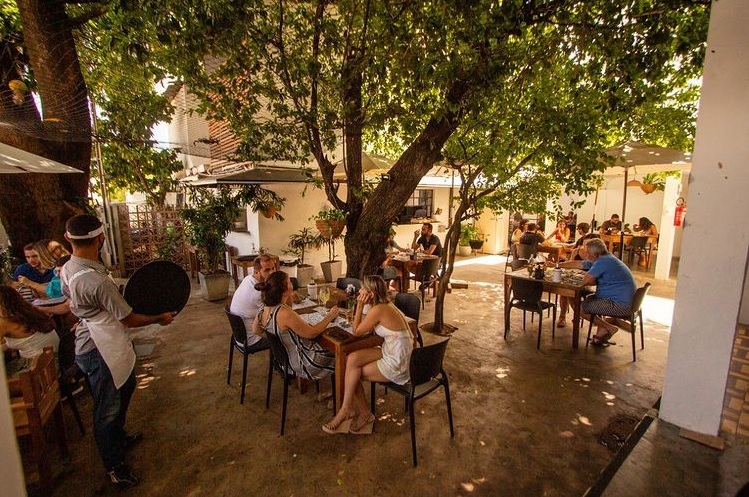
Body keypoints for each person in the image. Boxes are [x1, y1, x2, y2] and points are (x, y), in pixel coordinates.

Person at [61, 214, 174, 489]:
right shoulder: (97, 282)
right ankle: (114, 466)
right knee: (107, 408)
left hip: (97, 339)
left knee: (127, 385)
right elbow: (129, 319)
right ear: (100, 238)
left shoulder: (67, 268)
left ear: (68, 239)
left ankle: (119, 437)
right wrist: (159, 318)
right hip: (99, 347)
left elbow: (72, 303)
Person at [322, 275, 414, 435]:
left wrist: (359, 305)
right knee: (352, 359)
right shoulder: (383, 305)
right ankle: (358, 412)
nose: (359, 290)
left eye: (362, 288)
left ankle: (347, 411)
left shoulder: (379, 310)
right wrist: (363, 307)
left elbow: (356, 331)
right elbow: (368, 327)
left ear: (370, 293)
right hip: (395, 351)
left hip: (398, 361)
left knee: (351, 373)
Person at [252, 271, 338, 381]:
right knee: (342, 355)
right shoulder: (284, 313)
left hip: (285, 361)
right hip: (304, 363)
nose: (292, 283)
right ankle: (339, 394)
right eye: (289, 282)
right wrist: (330, 316)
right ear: (283, 292)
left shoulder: (264, 309)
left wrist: (278, 336)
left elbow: (256, 330)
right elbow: (312, 333)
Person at [559, 238, 636, 345]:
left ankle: (609, 328)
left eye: (587, 253)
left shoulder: (603, 262)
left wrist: (568, 278)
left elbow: (586, 281)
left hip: (621, 306)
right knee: (587, 299)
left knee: (580, 308)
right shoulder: (606, 258)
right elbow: (580, 264)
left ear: (595, 254)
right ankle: (600, 336)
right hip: (623, 302)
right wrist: (558, 265)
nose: (585, 255)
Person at [0, 285, 59, 372]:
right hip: (53, 362)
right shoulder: (28, 311)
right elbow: (26, 340)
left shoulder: (5, 321)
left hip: (39, 372)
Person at [230, 254, 277, 346]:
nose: (272, 273)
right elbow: (270, 317)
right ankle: (281, 360)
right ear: (256, 272)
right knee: (285, 335)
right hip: (251, 339)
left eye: (273, 268)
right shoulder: (259, 292)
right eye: (267, 270)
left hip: (239, 335)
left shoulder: (248, 279)